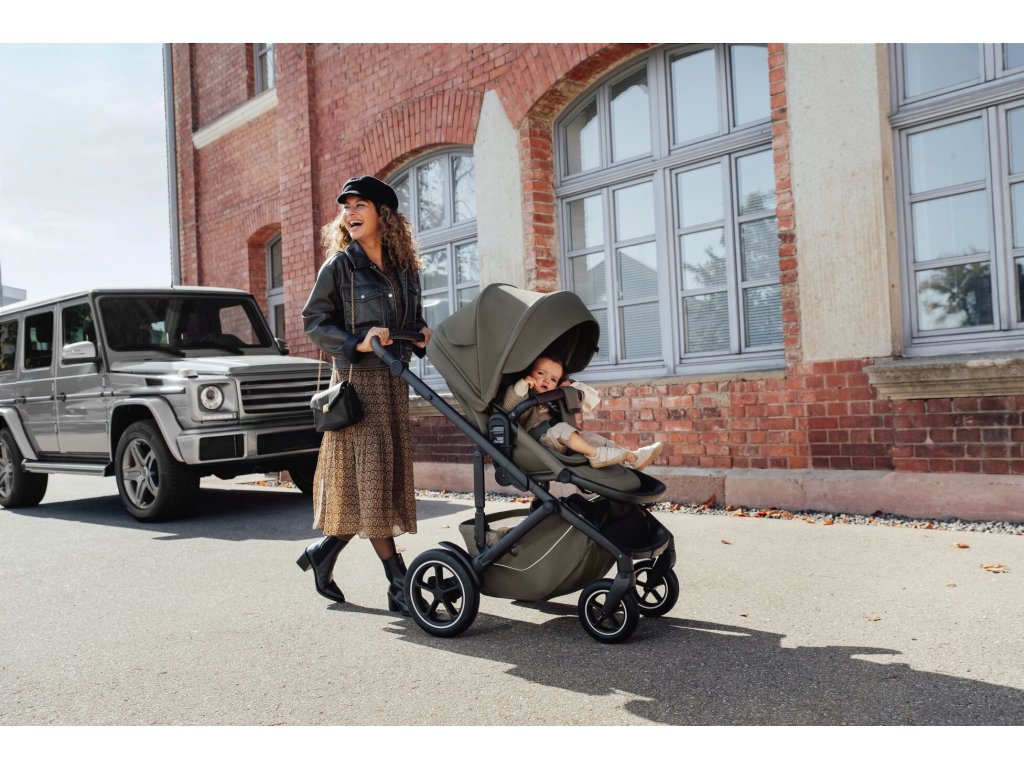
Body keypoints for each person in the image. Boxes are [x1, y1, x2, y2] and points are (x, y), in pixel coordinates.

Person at [297, 175, 431, 616]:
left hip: (394, 381)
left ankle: (323, 554)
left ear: (383, 214)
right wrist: (357, 340)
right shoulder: (340, 266)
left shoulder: (405, 269)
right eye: (346, 208)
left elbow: (410, 322)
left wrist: (420, 335)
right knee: (371, 482)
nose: (350, 214)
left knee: (374, 483)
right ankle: (398, 582)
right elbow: (314, 321)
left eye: (360, 206)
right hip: (359, 385)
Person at [499, 353, 663, 471]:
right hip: (534, 443)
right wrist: (522, 384)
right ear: (529, 373)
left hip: (558, 439)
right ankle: (595, 455)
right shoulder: (522, 393)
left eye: (553, 379)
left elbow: (588, 398)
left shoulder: (550, 397)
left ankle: (633, 457)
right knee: (562, 429)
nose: (547, 380)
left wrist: (567, 387)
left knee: (591, 438)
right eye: (541, 373)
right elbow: (509, 407)